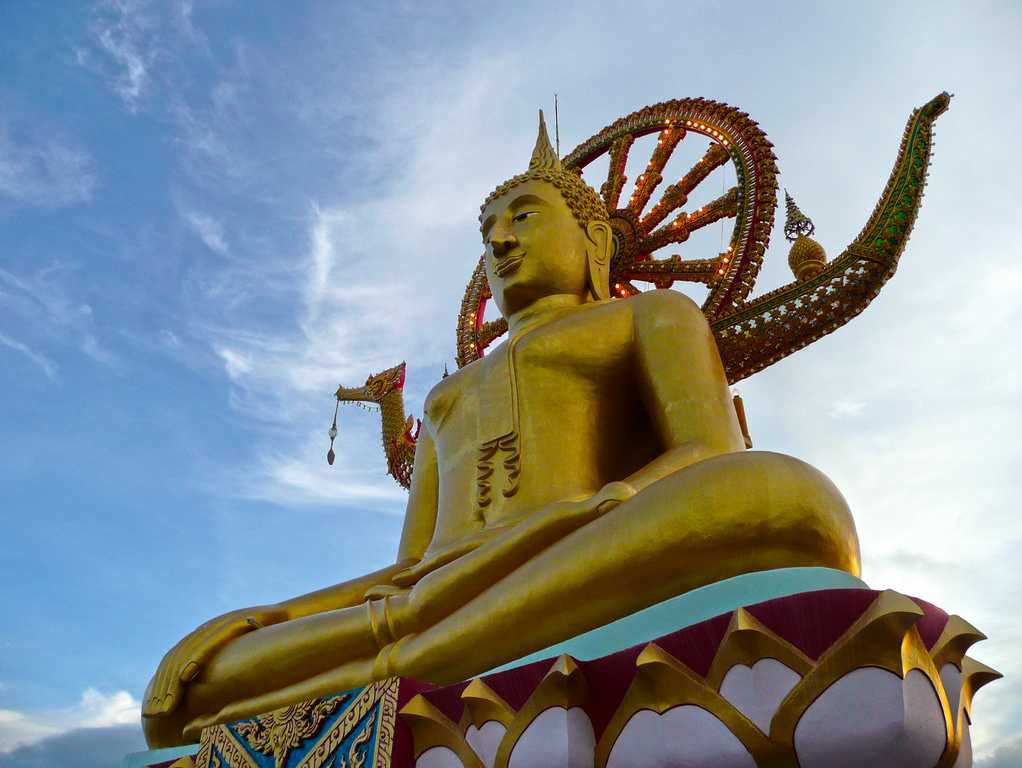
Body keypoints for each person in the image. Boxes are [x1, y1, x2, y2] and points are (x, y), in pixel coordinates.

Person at [143, 112, 859, 748]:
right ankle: (425, 655)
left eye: (523, 218)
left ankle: (413, 663)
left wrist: (608, 504)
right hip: (435, 600)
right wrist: (267, 616)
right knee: (190, 684)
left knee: (783, 498)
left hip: (575, 546)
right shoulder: (447, 396)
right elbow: (405, 571)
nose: (500, 241)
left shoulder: (652, 316)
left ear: (595, 241)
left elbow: (708, 453)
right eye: (488, 233)